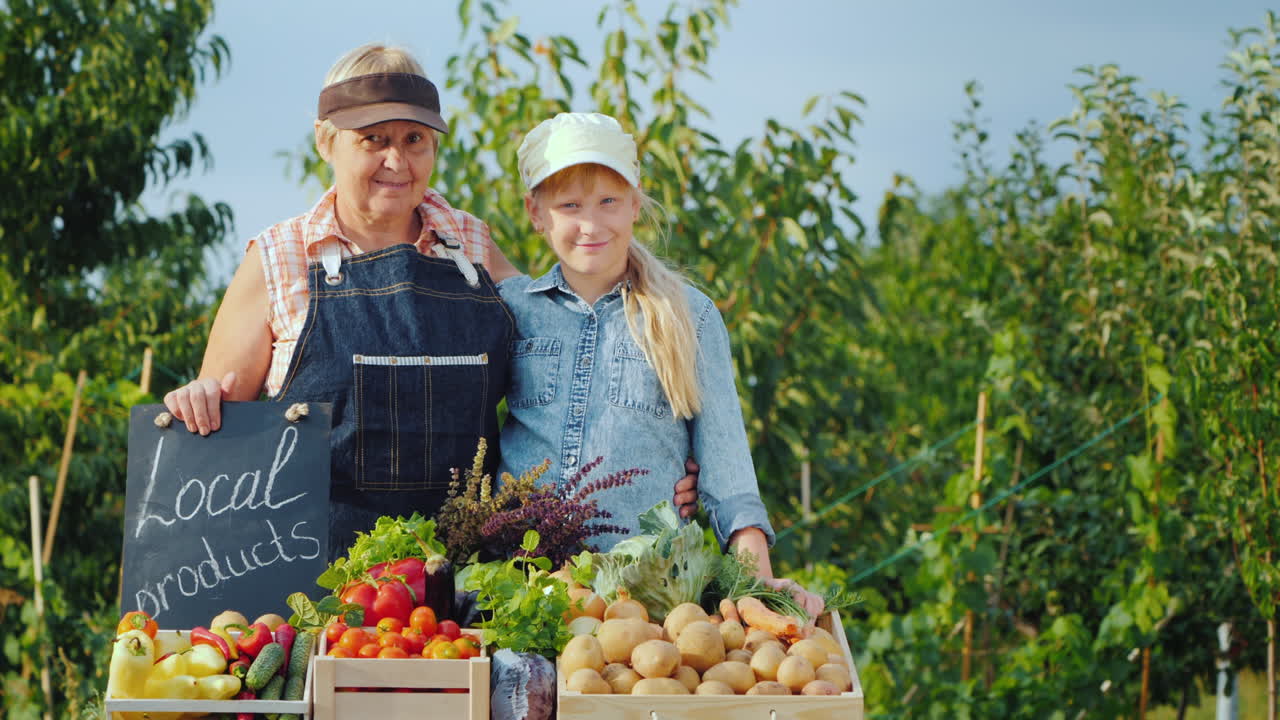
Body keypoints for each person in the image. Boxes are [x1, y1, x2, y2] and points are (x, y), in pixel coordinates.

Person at [163, 45, 697, 559]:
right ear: (327, 143)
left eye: (415, 139)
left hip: (466, 585)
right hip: (318, 589)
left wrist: (654, 454)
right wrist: (200, 401)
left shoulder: (472, 245)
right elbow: (224, 439)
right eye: (373, 139)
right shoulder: (278, 257)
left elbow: (564, 355)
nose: (396, 160)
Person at [497, 112, 823, 616]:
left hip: (645, 601)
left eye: (609, 200)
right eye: (569, 205)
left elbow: (726, 461)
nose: (591, 223)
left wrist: (755, 577)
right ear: (536, 213)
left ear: (635, 203)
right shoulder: (510, 309)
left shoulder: (687, 316)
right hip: (518, 587)